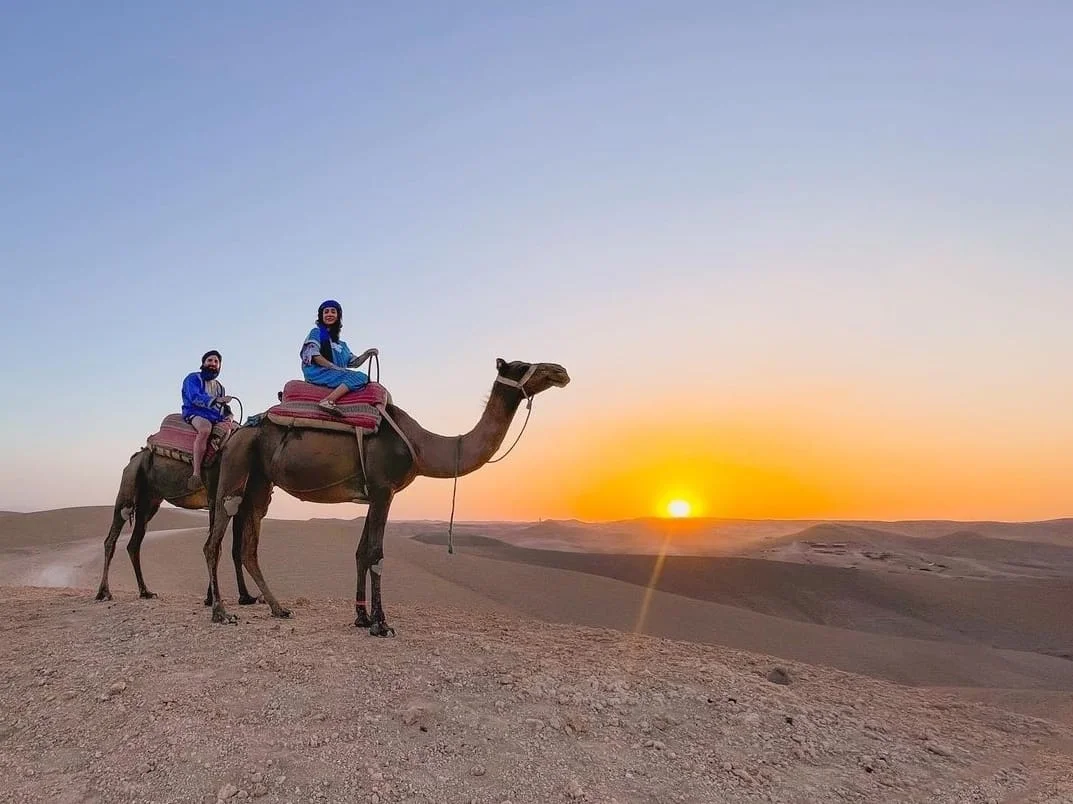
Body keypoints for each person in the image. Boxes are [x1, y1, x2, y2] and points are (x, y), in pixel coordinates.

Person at [300, 299, 378, 414]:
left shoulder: (343, 345)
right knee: (362, 377)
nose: (329, 314)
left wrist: (367, 354)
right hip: (319, 372)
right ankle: (328, 400)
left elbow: (354, 362)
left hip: (336, 373)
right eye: (326, 312)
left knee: (365, 381)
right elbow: (314, 355)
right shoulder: (316, 333)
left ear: (338, 316)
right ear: (321, 316)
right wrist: (333, 367)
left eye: (333, 311)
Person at [181, 350, 233, 489]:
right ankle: (196, 473)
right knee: (205, 429)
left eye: (216, 362)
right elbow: (194, 397)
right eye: (210, 360)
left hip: (215, 416)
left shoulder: (220, 387)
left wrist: (226, 411)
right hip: (195, 412)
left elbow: (219, 405)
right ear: (203, 363)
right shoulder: (193, 378)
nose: (213, 364)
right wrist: (217, 399)